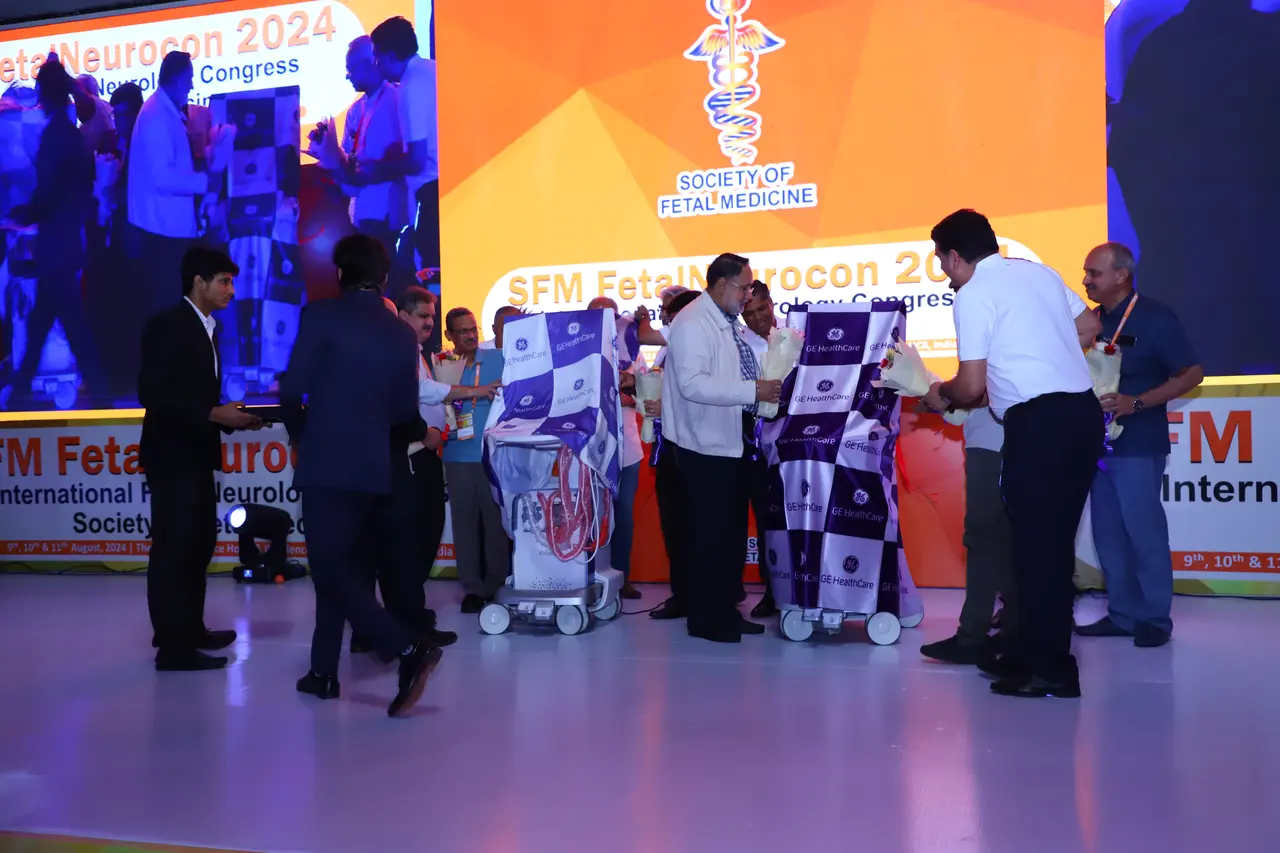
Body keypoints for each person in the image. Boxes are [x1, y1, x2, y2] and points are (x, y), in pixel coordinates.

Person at [923, 210, 1103, 699]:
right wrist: (1044, 355)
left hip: (1038, 425)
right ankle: (1030, 655)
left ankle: (1051, 670)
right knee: (1050, 548)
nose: (943, 270)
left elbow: (970, 386)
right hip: (1081, 416)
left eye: (940, 261)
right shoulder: (1037, 272)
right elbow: (1089, 327)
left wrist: (939, 394)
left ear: (954, 257)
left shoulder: (973, 293)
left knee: (1037, 551)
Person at [281, 234, 443, 717]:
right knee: (342, 570)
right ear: (384, 277)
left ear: (339, 274)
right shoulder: (400, 334)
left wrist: (301, 436)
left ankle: (405, 647)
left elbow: (291, 391)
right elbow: (403, 412)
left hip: (327, 463)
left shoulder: (320, 316)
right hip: (376, 467)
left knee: (330, 568)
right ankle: (322, 672)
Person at [138, 247, 261, 671]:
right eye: (224, 281)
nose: (231, 290)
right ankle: (173, 647)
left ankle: (190, 630)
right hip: (172, 456)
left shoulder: (207, 328)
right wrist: (213, 413)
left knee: (198, 544)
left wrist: (233, 419)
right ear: (198, 281)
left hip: (196, 454)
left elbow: (194, 397)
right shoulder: (167, 325)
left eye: (232, 281)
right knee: (174, 549)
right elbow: (152, 393)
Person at [1075, 242, 1203, 648]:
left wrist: (1139, 402)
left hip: (1139, 442)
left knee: (1143, 530)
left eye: (1094, 273)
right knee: (1108, 534)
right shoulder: (1089, 322)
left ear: (1121, 275)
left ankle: (1154, 618)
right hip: (1096, 445)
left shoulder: (1154, 317)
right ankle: (1123, 614)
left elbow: (1192, 373)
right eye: (1086, 273)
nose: (1086, 280)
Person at [661, 253, 782, 643]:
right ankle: (707, 620)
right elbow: (692, 384)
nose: (748, 295)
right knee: (708, 537)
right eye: (745, 287)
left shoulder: (724, 320)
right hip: (703, 448)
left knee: (729, 535)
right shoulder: (692, 323)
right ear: (721, 284)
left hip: (729, 443)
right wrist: (753, 391)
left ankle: (725, 611)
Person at [6, 58, 103, 410]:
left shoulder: (55, 137)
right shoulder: (69, 134)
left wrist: (22, 214)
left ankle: (100, 393)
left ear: (45, 95)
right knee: (45, 325)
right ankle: (21, 392)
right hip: (64, 242)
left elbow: (47, 192)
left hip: (56, 245)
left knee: (67, 327)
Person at [128, 51, 227, 322]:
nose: (192, 86)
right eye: (189, 79)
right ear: (175, 79)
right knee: (168, 305)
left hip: (166, 227)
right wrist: (206, 181)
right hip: (162, 230)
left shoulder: (163, 112)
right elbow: (163, 177)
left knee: (172, 305)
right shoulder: (157, 116)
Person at [441, 306, 510, 612]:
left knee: (495, 524)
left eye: (473, 329)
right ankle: (472, 587)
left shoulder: (497, 359)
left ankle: (497, 585)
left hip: (492, 454)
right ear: (449, 335)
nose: (470, 335)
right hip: (457, 454)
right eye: (463, 331)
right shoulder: (443, 364)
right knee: (464, 523)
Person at [645, 289, 701, 621]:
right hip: (668, 447)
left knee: (696, 526)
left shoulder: (700, 346)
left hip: (694, 449)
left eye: (670, 313)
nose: (665, 318)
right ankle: (683, 594)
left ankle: (704, 595)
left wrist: (664, 405)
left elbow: (697, 394)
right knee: (675, 525)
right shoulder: (667, 349)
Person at [368, 16, 439, 272]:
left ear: (388, 56)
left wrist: (377, 168)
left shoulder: (410, 86)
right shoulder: (432, 69)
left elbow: (417, 159)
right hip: (451, 185)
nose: (376, 64)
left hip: (431, 193)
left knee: (431, 273)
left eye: (377, 57)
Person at [587, 296, 642, 600]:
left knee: (623, 515)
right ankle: (588, 576)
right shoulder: (578, 351)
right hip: (589, 449)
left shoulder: (631, 350)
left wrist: (625, 397)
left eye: (610, 316)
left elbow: (648, 392)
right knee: (589, 514)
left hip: (627, 449)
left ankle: (622, 577)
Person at [740, 280, 777, 618]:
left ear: (771, 303)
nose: (757, 319)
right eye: (748, 314)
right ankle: (772, 591)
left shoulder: (798, 335)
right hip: (752, 443)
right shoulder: (738, 345)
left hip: (800, 441)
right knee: (765, 518)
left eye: (761, 309)